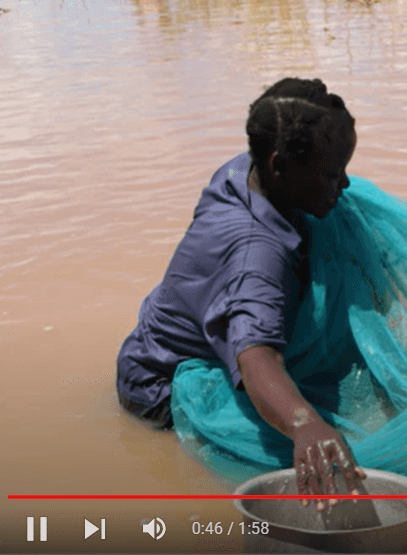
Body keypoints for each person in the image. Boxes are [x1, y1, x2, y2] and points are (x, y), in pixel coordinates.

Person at [116, 78, 366, 507]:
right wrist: (305, 424)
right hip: (164, 385)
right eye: (331, 174)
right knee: (352, 443)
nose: (344, 184)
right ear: (279, 166)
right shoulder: (257, 256)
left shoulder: (243, 171)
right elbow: (256, 358)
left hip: (155, 341)